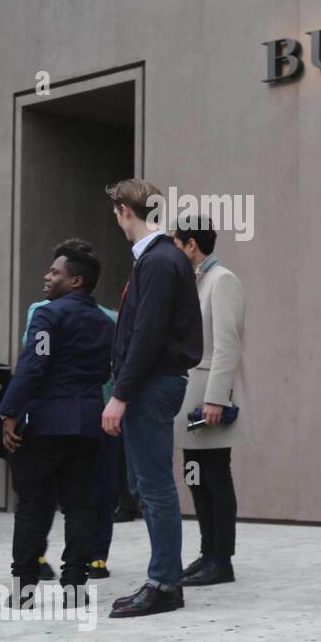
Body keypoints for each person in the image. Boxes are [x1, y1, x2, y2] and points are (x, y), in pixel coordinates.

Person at [103, 179, 202, 618]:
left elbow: (148, 333)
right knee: (148, 484)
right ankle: (164, 580)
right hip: (150, 384)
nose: (115, 219)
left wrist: (119, 395)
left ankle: (164, 584)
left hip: (150, 386)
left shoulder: (159, 261)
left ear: (126, 209)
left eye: (115, 210)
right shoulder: (159, 259)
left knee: (156, 486)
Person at [0, 241, 115, 606]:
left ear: (76, 280)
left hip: (45, 425)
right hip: (86, 425)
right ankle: (75, 589)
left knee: (32, 504)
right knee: (80, 505)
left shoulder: (48, 316)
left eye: (55, 272)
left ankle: (24, 590)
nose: (47, 277)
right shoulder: (104, 321)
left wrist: (9, 412)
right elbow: (104, 372)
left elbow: (35, 365)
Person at [173, 218, 249, 587]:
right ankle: (207, 553)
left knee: (215, 475)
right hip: (192, 396)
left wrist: (216, 399)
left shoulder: (223, 280)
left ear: (191, 245)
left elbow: (227, 344)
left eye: (176, 244)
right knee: (196, 476)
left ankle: (222, 559)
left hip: (209, 398)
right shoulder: (196, 281)